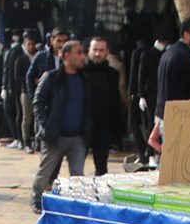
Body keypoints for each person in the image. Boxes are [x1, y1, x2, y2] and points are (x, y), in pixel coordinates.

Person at [30, 40, 93, 213]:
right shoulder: (52, 77)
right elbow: (37, 102)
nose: (82, 56)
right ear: (66, 55)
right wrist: (45, 125)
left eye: (83, 52)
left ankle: (76, 204)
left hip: (77, 137)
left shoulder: (84, 79)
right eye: (78, 53)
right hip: (55, 136)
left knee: (78, 175)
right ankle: (36, 199)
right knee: (46, 172)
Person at [84, 37, 124, 176]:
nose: (97, 53)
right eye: (94, 49)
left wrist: (116, 131)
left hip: (103, 127)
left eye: (101, 50)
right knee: (76, 167)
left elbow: (115, 102)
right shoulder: (80, 71)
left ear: (107, 52)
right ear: (89, 50)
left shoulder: (113, 74)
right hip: (82, 126)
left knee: (101, 169)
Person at [128, 37, 166, 168]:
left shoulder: (163, 54)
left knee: (153, 124)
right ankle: (148, 154)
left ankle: (151, 154)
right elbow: (139, 74)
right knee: (149, 123)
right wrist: (140, 95)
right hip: (148, 94)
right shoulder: (145, 54)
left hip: (157, 94)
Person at [11, 32, 40, 153]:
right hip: (26, 91)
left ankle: (38, 142)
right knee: (26, 117)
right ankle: (26, 141)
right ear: (25, 45)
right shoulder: (21, 60)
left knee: (38, 117)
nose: (31, 47)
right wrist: (31, 80)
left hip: (38, 92)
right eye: (29, 44)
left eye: (33, 44)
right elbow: (17, 77)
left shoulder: (39, 57)